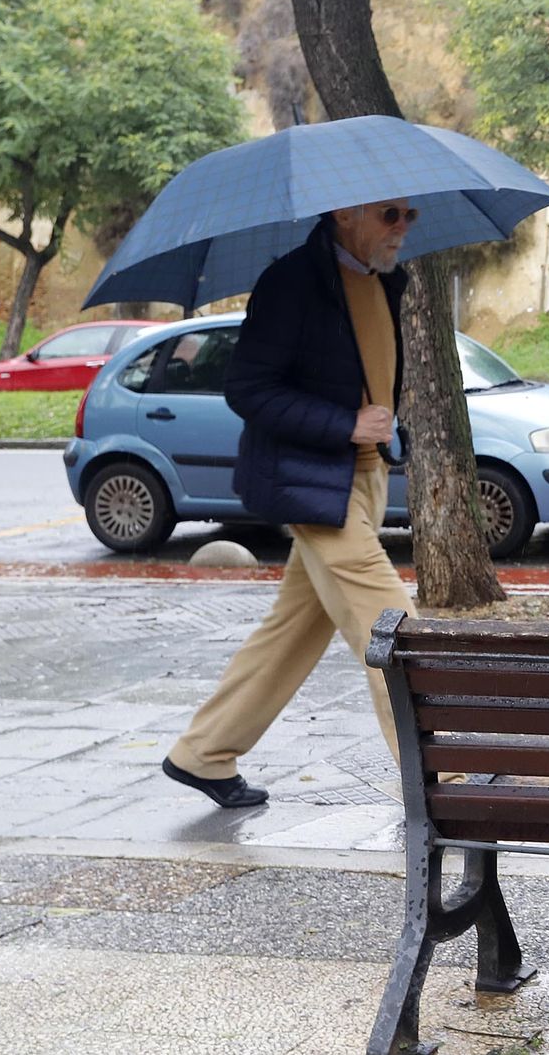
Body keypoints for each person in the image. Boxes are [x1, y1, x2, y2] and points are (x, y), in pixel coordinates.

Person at [161, 198, 420, 808]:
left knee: (294, 630)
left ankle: (203, 752)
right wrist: (344, 424)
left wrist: (379, 428)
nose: (402, 227)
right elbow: (248, 389)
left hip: (364, 477)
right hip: (313, 482)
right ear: (345, 214)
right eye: (389, 214)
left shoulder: (386, 281)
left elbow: (368, 375)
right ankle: (442, 779)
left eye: (410, 216)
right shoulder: (292, 282)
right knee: (394, 627)